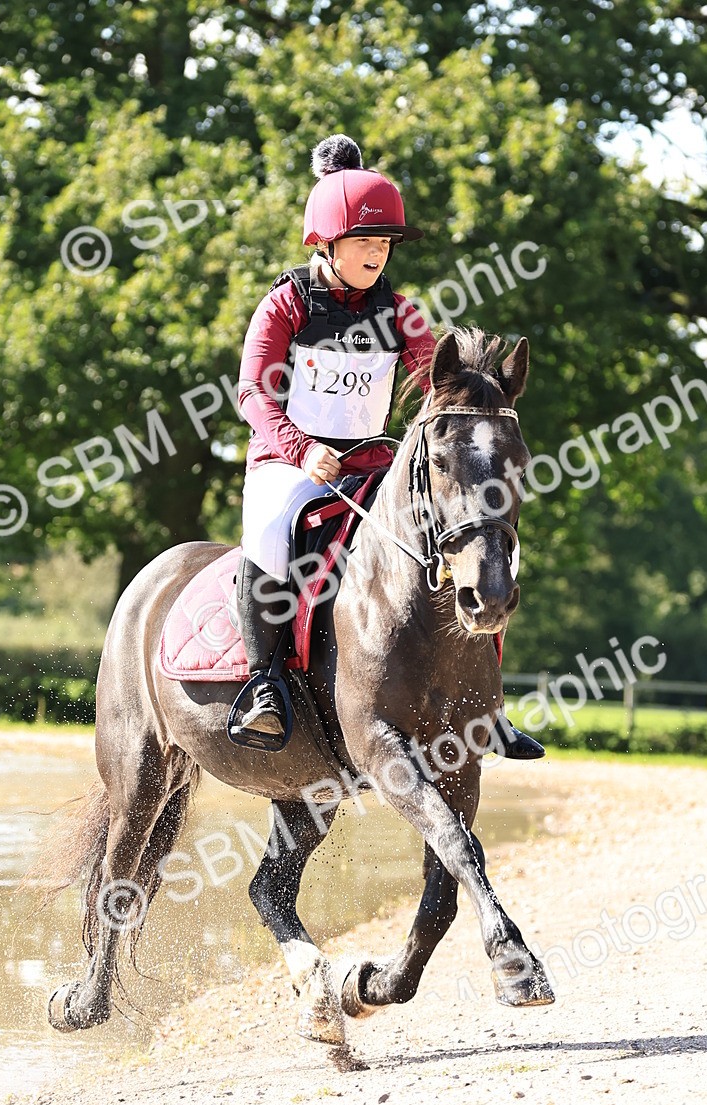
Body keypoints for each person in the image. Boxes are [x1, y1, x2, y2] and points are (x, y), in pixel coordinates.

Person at [235, 134, 543, 760]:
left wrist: (480, 400)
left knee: (469, 536)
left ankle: (489, 703)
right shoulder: (286, 306)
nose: (378, 253)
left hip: (374, 466)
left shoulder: (399, 313)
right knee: (269, 535)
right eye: (365, 242)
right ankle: (265, 682)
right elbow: (250, 393)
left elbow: (441, 378)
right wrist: (300, 448)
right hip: (290, 464)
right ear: (328, 242)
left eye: (384, 244)